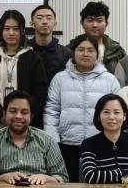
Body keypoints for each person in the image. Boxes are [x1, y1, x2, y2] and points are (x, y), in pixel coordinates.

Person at [43, 35, 121, 180]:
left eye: (90, 50)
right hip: (67, 144)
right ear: (73, 53)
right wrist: (53, 140)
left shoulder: (109, 80)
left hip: (100, 144)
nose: (85, 54)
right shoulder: (60, 78)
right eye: (81, 50)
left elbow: (118, 112)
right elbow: (51, 111)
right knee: (69, 186)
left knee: (99, 185)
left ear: (97, 54)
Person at [0, 9, 48, 133]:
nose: (11, 33)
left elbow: (40, 90)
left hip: (25, 121)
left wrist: (25, 113)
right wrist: (0, 114)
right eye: (6, 29)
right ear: (1, 30)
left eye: (15, 29)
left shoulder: (32, 57)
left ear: (22, 31)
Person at [80, 94, 128, 184]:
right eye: (106, 112)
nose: (111, 117)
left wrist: (110, 175)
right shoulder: (89, 144)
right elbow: (90, 176)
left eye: (116, 112)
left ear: (124, 116)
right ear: (98, 116)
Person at [69, 1, 126, 74]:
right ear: (82, 23)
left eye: (99, 20)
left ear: (106, 24)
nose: (95, 25)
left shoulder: (117, 51)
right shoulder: (70, 49)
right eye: (90, 20)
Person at [29, 4, 72, 83]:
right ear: (32, 24)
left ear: (55, 24)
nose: (45, 22)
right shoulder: (25, 51)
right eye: (39, 18)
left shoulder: (66, 53)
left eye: (49, 18)